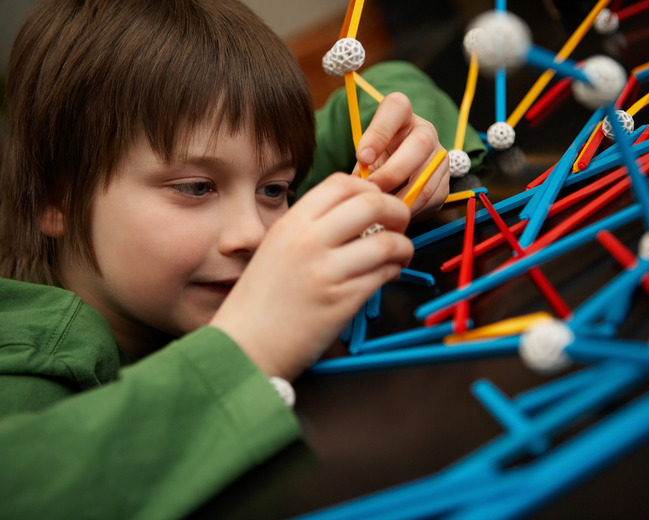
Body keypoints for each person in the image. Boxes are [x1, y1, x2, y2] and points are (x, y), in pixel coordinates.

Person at [0, 0, 485, 518]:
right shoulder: (33, 351)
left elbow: (380, 91)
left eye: (274, 189)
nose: (253, 234)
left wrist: (397, 144)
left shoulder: (216, 200)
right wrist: (249, 347)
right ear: (57, 201)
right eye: (195, 187)